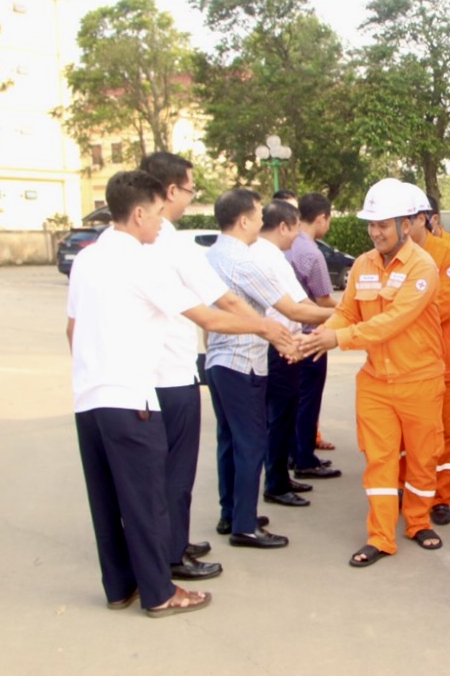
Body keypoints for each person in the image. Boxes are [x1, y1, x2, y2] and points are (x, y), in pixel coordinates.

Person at [67, 170, 293, 617]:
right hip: (131, 399)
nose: (159, 223)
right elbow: (208, 318)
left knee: (107, 501)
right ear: (137, 214)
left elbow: (72, 330)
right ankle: (159, 593)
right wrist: (267, 326)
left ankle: (119, 588)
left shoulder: (88, 259)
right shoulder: (141, 261)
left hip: (89, 401)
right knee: (146, 502)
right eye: (155, 214)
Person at [299, 179, 446, 568]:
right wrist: (320, 333)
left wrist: (338, 338)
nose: (375, 232)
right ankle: (380, 537)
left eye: (383, 224)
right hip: (376, 384)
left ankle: (418, 521)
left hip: (420, 380)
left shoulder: (423, 267)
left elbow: (393, 322)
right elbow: (347, 311)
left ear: (405, 224)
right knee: (379, 462)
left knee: (421, 458)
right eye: (371, 224)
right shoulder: (363, 264)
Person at [136, 151, 265, 582]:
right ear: (170, 191)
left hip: (145, 373)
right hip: (172, 373)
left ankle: (173, 539)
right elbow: (219, 303)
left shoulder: (130, 242)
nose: (191, 198)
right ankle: (173, 553)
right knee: (176, 469)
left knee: (163, 467)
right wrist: (268, 328)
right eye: (191, 189)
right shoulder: (170, 241)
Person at [203, 188, 333, 548]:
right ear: (243, 220)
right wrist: (347, 314)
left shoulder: (212, 255)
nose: (263, 222)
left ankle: (231, 513)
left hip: (218, 360)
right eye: (259, 215)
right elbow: (293, 311)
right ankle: (245, 525)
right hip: (242, 362)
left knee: (230, 441)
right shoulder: (245, 262)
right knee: (251, 443)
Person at [252, 200, 334, 509]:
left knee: (284, 414)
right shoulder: (270, 258)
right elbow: (297, 307)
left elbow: (300, 303)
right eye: (295, 228)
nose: (297, 236)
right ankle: (275, 482)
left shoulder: (269, 255)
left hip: (281, 341)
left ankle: (281, 478)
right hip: (280, 345)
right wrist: (346, 319)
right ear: (284, 227)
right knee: (281, 416)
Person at [404, 185, 450, 525]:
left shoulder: (449, 256)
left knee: (448, 430)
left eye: (405, 220)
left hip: (448, 361)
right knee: (412, 432)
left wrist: (397, 308)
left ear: (422, 220)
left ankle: (440, 497)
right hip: (409, 364)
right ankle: (412, 488)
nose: (398, 228)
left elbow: (439, 308)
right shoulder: (391, 257)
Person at [285, 192, 342, 478]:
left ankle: (294, 453)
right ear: (321, 218)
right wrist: (349, 308)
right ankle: (305, 459)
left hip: (288, 335)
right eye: (328, 220)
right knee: (309, 399)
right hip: (311, 336)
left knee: (294, 399)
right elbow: (322, 300)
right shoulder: (311, 253)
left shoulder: (285, 245)